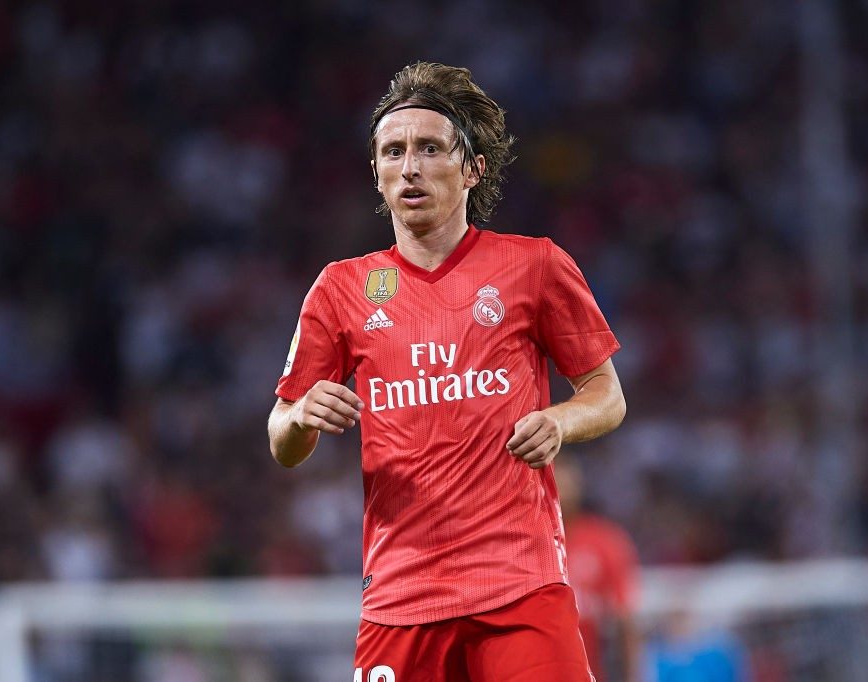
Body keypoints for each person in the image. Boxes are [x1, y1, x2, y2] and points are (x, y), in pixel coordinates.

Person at [268, 61, 625, 681]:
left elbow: (606, 395)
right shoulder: (340, 289)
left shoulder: (535, 266)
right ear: (376, 173)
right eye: (393, 152)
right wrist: (300, 416)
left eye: (430, 148)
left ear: (472, 169)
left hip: (520, 585)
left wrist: (559, 422)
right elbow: (282, 442)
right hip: (401, 598)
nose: (410, 166)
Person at [555, 455, 641, 682]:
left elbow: (624, 618)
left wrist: (632, 675)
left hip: (591, 670)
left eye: (566, 480)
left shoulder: (604, 540)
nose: (561, 488)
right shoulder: (524, 541)